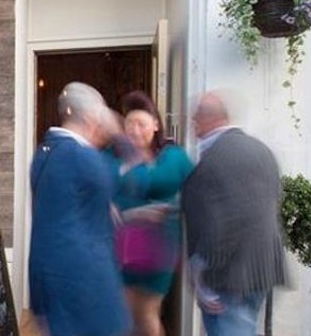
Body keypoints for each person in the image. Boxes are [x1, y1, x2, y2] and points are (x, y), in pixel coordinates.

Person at [29, 82, 130, 336]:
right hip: (84, 284)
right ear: (90, 116)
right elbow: (134, 182)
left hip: (48, 278)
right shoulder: (84, 158)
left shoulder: (43, 153)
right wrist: (118, 133)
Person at [181, 91, 286, 336]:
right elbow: (272, 200)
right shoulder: (261, 150)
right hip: (260, 269)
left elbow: (221, 220)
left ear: (206, 119)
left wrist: (202, 273)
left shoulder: (214, 158)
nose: (193, 123)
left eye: (196, 117)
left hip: (227, 277)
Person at [110, 91, 193, 336]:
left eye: (141, 124)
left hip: (158, 248)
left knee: (147, 311)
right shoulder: (112, 155)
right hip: (119, 247)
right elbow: (95, 184)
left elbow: (195, 191)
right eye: (129, 124)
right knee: (124, 312)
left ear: (156, 125)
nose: (135, 130)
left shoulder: (173, 156)